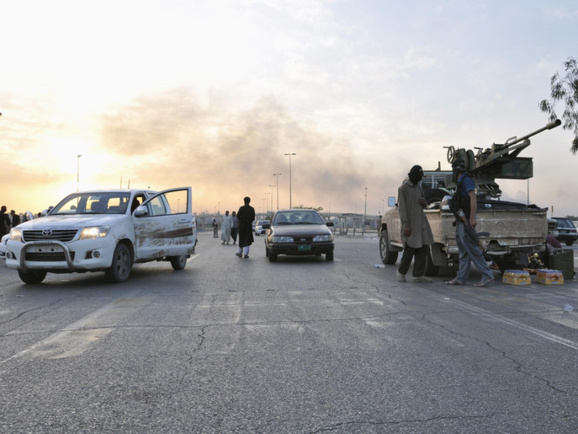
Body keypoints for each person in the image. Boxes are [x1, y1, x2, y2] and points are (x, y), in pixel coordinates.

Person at [446, 158, 495, 287]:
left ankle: (487, 275)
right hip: (461, 220)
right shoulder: (461, 181)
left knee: (472, 249)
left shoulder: (466, 180)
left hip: (466, 219)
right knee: (463, 250)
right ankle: (461, 277)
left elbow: (473, 198)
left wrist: (472, 218)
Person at [396, 165, 435, 283]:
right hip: (411, 224)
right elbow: (402, 208)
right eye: (419, 176)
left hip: (421, 224)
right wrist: (406, 225)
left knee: (424, 249)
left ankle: (418, 275)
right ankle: (401, 273)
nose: (420, 179)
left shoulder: (418, 187)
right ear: (413, 175)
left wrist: (424, 203)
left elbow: (424, 204)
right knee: (410, 249)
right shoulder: (403, 189)